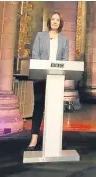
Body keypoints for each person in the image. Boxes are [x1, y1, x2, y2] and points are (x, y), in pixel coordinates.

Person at [27, 12, 70, 150]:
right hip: (41, 77)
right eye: (53, 19)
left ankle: (52, 139)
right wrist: (45, 69)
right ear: (49, 21)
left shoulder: (64, 40)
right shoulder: (41, 36)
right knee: (39, 107)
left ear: (60, 23)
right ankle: (34, 138)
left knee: (54, 108)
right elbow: (35, 54)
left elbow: (64, 60)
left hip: (56, 79)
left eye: (58, 19)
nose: (55, 21)